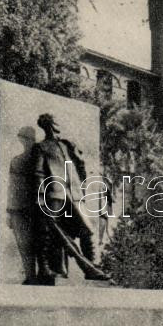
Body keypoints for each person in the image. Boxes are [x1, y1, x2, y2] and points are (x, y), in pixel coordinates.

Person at [31, 113, 110, 284]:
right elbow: (38, 173)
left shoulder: (66, 145)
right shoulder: (41, 147)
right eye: (53, 121)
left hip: (73, 194)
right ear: (48, 125)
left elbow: (80, 167)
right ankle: (46, 268)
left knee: (86, 230)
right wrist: (40, 195)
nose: (56, 124)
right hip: (55, 191)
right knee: (48, 233)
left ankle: (92, 266)